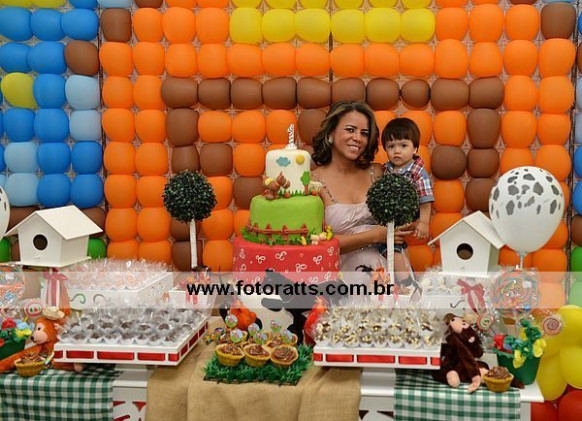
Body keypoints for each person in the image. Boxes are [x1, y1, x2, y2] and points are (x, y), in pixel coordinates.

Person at [311, 101, 415, 274]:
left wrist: (408, 223)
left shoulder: (379, 172)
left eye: (364, 133)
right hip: (345, 281)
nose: (358, 138)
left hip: (394, 275)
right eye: (350, 130)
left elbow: (404, 217)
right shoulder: (313, 183)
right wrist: (374, 236)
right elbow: (316, 244)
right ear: (331, 132)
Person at [381, 118, 434, 285]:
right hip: (387, 219)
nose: (397, 151)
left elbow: (425, 200)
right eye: (391, 146)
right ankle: (402, 279)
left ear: (415, 148)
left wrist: (424, 223)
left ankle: (406, 282)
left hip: (404, 219)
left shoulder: (417, 173)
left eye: (403, 145)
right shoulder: (387, 169)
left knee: (392, 247)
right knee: (392, 247)